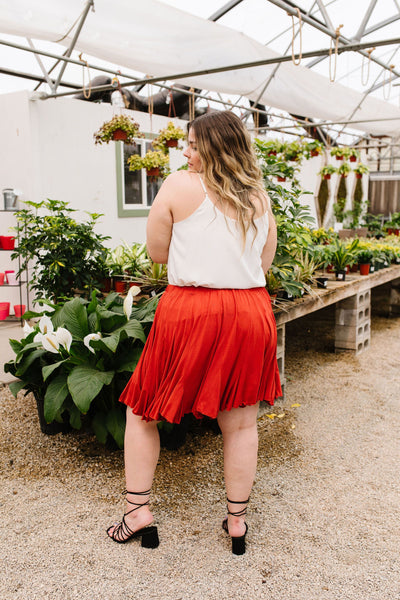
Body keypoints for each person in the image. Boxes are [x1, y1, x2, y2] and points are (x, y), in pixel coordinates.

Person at [107, 110, 282, 555]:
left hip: (191, 309)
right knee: (241, 423)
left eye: (191, 144)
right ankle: (237, 521)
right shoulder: (258, 197)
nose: (184, 152)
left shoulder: (178, 186)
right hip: (248, 310)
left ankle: (137, 511)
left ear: (215, 146)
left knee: (143, 410)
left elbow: (158, 253)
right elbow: (263, 263)